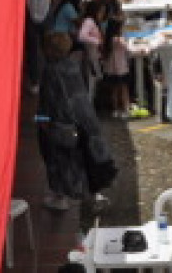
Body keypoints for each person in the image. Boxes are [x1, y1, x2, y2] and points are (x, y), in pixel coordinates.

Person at [38, 32, 117, 211]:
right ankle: (90, 195)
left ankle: (61, 196)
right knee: (85, 157)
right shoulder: (73, 66)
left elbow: (46, 101)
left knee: (58, 160)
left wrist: (40, 120)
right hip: (82, 119)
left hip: (58, 122)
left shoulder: (50, 71)